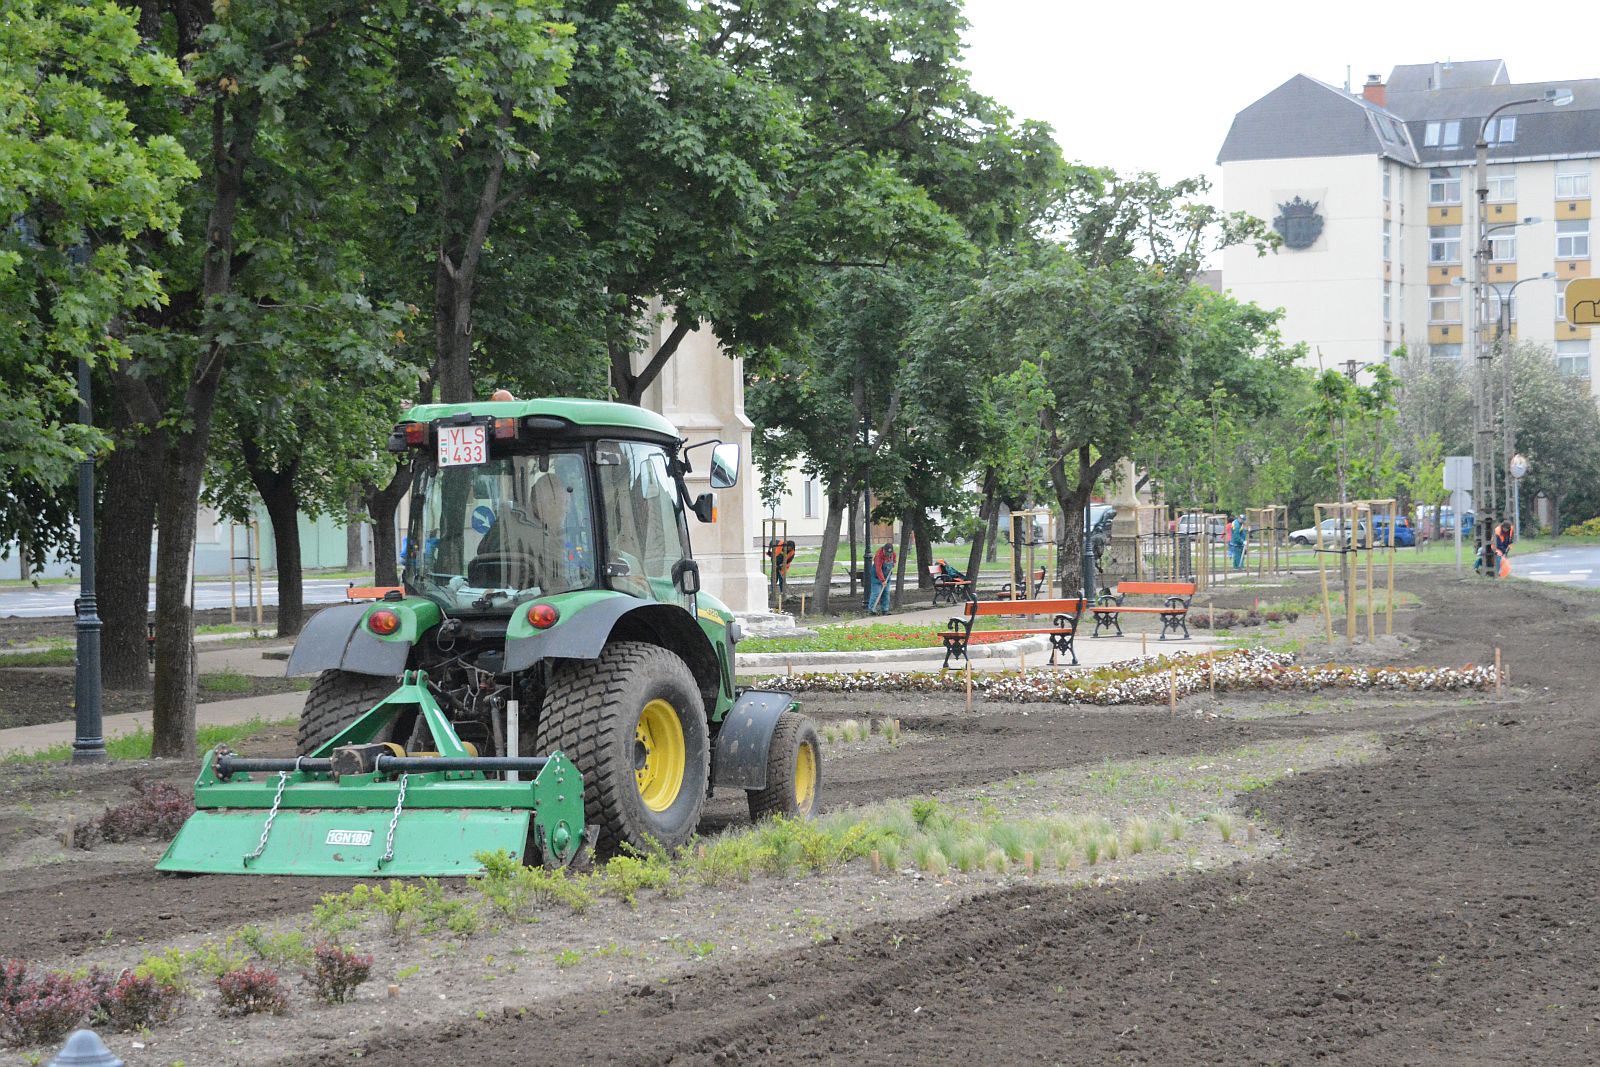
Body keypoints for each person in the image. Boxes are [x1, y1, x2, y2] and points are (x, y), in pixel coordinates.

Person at [868, 542, 895, 615]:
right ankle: (871, 609)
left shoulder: (893, 554)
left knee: (886, 593)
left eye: (890, 553)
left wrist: (893, 564)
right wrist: (882, 580)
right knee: (876, 593)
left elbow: (894, 562)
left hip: (887, 576)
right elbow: (878, 569)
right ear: (884, 550)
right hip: (877, 577)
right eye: (887, 553)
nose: (888, 555)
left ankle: (885, 610)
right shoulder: (878, 555)